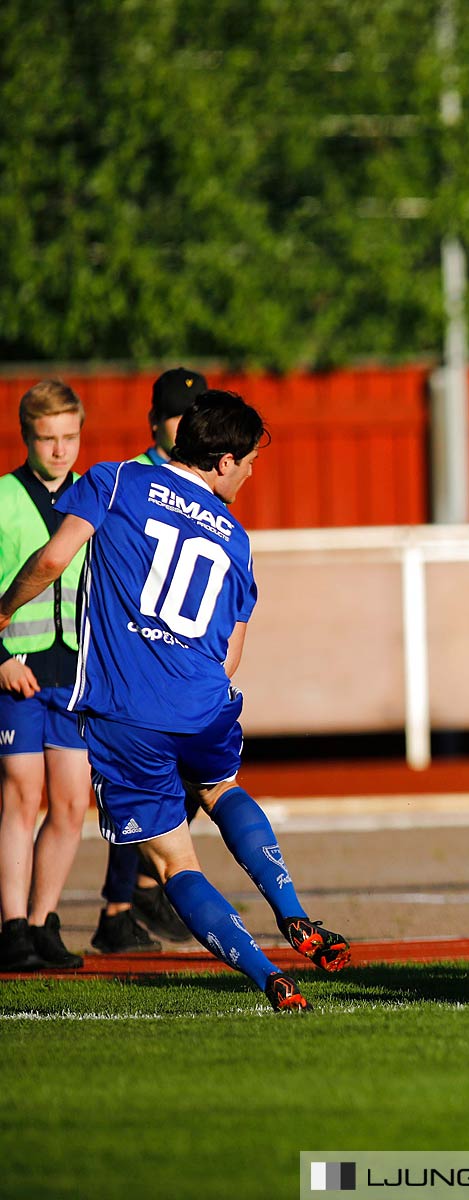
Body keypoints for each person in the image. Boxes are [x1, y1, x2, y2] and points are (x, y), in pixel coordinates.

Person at [0, 390, 350, 1009]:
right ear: (220, 461)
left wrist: (2, 609)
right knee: (222, 789)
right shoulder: (236, 538)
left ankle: (270, 976)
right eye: (246, 461)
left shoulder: (113, 481)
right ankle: (293, 913)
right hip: (205, 705)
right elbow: (231, 657)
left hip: (127, 715)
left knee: (174, 864)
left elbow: (55, 559)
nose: (248, 471)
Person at [93, 366, 211, 953]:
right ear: (154, 422)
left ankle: (143, 887)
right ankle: (125, 902)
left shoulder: (205, 486)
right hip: (130, 661)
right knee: (138, 780)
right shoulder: (130, 480)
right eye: (176, 415)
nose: (187, 425)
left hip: (178, 661)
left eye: (197, 416)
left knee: (189, 773)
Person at [0, 381, 94, 970]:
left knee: (69, 803)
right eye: (48, 438)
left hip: (77, 673)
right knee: (20, 796)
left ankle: (43, 923)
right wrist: (0, 659)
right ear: (27, 436)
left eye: (70, 437)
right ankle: (11, 926)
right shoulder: (3, 497)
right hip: (18, 673)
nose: (60, 450)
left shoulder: (96, 496)